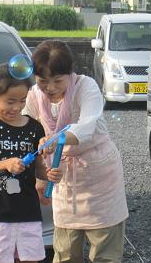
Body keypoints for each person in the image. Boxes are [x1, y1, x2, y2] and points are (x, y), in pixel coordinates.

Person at [23, 40, 128, 263]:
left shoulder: (85, 86)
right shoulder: (33, 95)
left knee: (105, 253)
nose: (49, 88)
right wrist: (39, 175)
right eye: (43, 81)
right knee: (65, 252)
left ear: (70, 73)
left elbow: (87, 126)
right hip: (62, 177)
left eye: (57, 81)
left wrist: (55, 138)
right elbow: (28, 131)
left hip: (99, 177)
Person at [0, 63, 62, 263]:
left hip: (28, 214)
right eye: (9, 101)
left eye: (22, 101)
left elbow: (39, 170)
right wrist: (5, 164)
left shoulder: (34, 128)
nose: (17, 107)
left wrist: (50, 174)